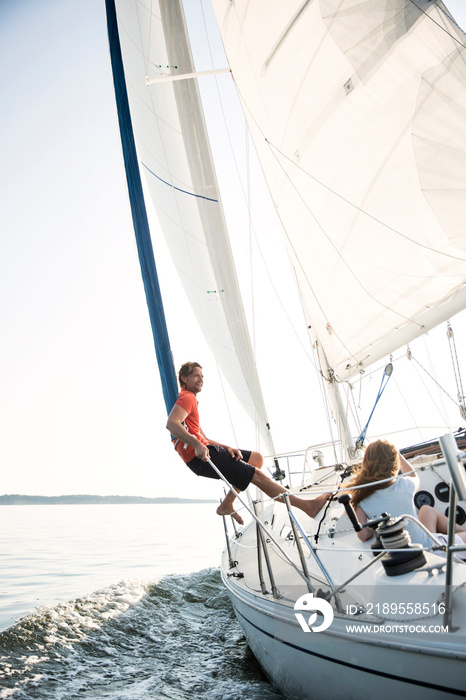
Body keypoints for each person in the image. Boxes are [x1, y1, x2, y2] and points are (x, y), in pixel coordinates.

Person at [166, 361, 330, 525]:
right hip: (200, 458)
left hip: (205, 449)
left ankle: (227, 504)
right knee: (256, 475)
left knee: (256, 459)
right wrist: (196, 445)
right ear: (184, 379)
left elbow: (204, 438)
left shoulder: (191, 400)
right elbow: (172, 424)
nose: (201, 379)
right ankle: (308, 507)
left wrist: (228, 448)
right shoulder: (187, 398)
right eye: (196, 376)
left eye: (202, 376)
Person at [346, 439, 466, 551]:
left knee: (426, 510)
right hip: (428, 547)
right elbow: (413, 475)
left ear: (366, 464)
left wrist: (376, 528)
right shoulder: (405, 485)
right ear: (395, 464)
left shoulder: (360, 497)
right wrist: (398, 454)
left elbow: (363, 535)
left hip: (402, 550)